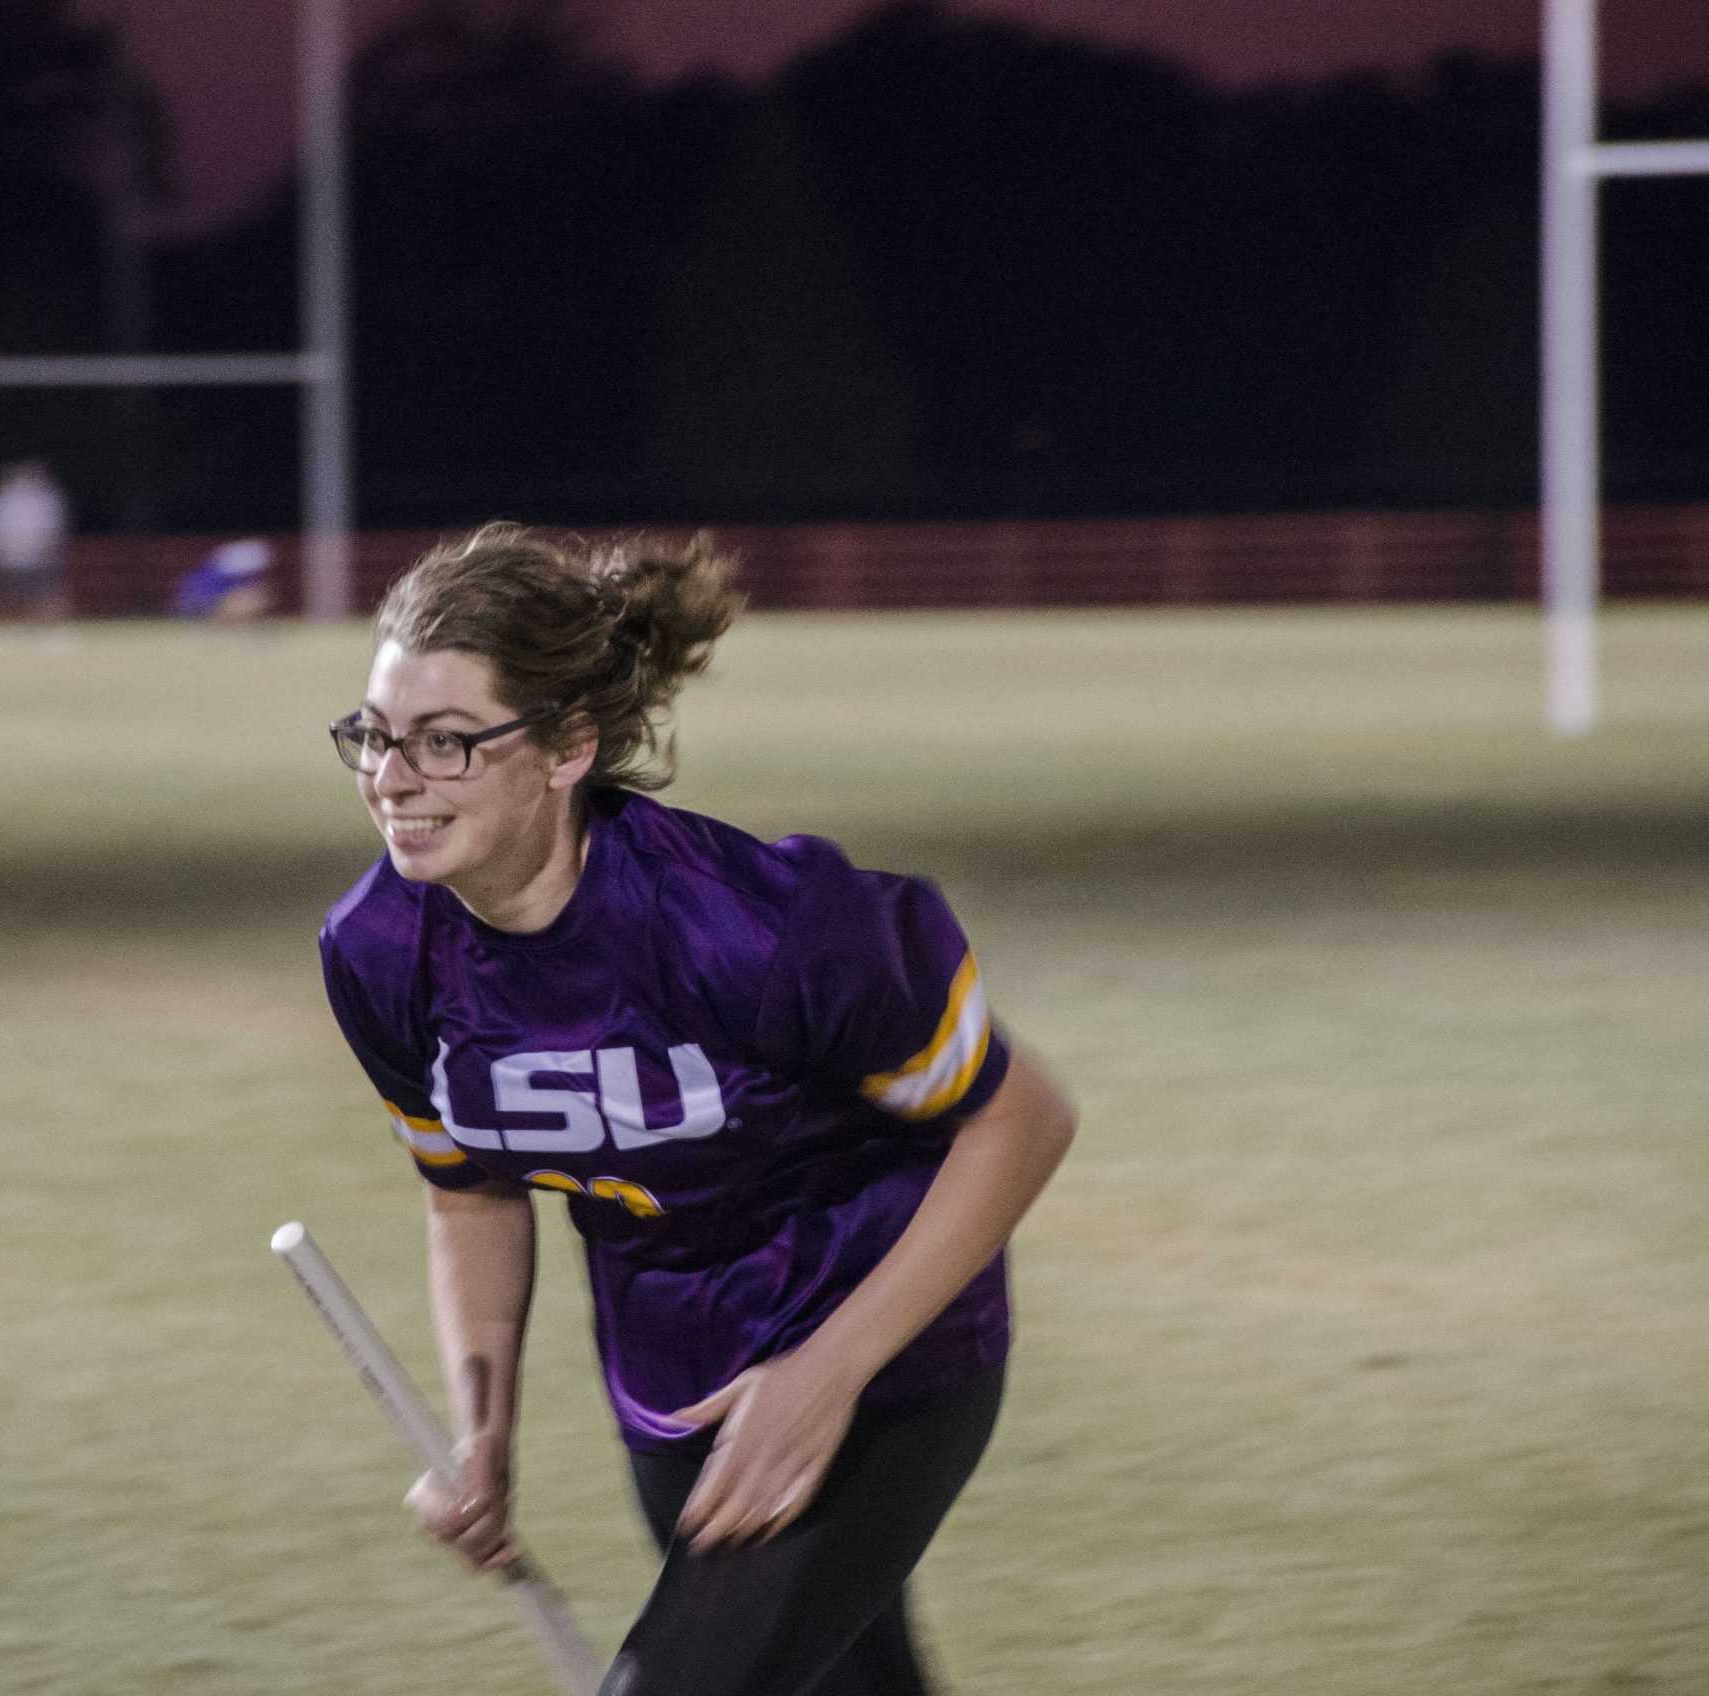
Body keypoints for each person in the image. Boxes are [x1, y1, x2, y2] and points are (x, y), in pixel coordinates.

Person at [317, 524, 1078, 1696]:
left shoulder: (763, 929)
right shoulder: (379, 951)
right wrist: (483, 1435)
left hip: (883, 1351)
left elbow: (1022, 1121)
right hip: (673, 1378)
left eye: (445, 742)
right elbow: (469, 1192)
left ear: (569, 745)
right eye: (373, 735)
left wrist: (825, 1373)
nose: (391, 779)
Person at [0, 460, 72, 634]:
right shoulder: (0, 499)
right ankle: (3, 631)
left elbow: (53, 526)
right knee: (6, 596)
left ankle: (51, 631)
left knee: (46, 595)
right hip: (8, 557)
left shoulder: (45, 497)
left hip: (38, 556)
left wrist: (49, 548)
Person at [170, 536, 274, 624]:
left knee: (254, 595)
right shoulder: (223, 573)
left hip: (198, 604)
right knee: (253, 596)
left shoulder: (218, 568)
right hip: (198, 606)